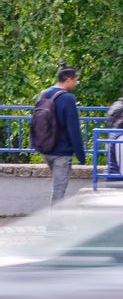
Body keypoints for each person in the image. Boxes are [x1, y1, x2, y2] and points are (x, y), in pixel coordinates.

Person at [38, 65, 85, 204]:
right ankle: (54, 218)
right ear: (68, 79)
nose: (75, 84)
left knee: (56, 189)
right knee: (59, 191)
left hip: (46, 149)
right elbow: (73, 129)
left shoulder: (44, 94)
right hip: (62, 153)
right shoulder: (68, 98)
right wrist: (80, 155)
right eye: (75, 80)